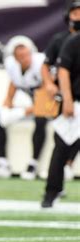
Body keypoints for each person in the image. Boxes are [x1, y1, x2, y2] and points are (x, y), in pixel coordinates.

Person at [0, 37, 47, 180]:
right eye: (21, 56)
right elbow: (14, 82)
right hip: (30, 104)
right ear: (15, 58)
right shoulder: (12, 65)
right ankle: (2, 163)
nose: (25, 58)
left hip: (48, 105)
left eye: (27, 54)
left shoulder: (41, 64)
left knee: (41, 120)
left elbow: (49, 92)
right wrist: (8, 102)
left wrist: (28, 110)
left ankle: (33, 164)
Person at [41, 0, 80, 181]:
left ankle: (68, 165)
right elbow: (48, 66)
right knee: (61, 137)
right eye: (75, 13)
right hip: (64, 96)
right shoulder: (60, 40)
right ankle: (56, 181)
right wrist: (49, 84)